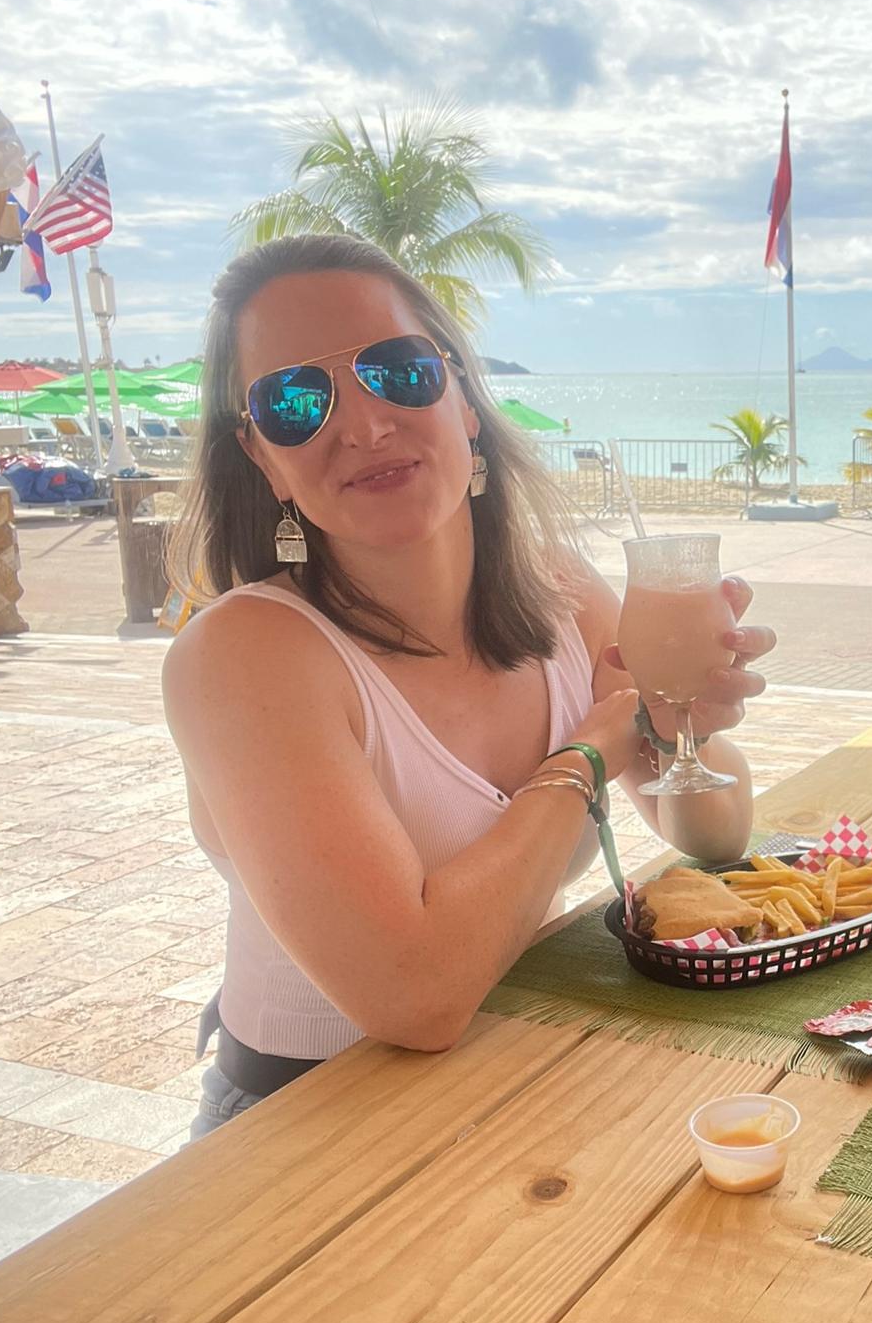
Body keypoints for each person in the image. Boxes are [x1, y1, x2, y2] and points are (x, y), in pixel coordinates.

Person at [163, 234, 773, 1140]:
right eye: (297, 401)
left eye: (398, 372)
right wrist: (590, 756)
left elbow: (717, 833)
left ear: (465, 398)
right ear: (262, 456)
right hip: (306, 1134)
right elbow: (416, 997)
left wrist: (679, 725)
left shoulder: (563, 592)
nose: (364, 424)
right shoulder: (247, 654)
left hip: (525, 1081)